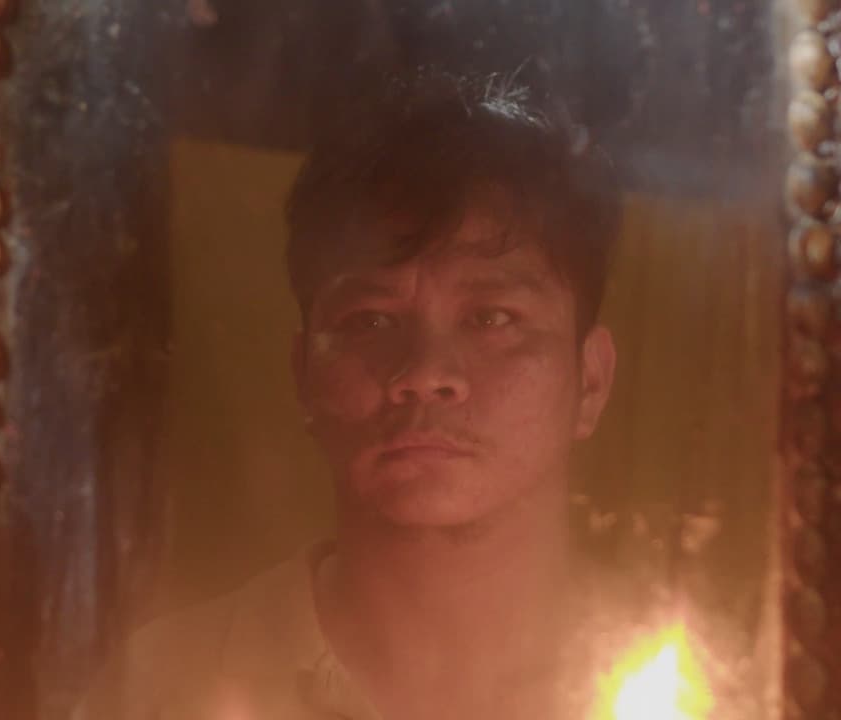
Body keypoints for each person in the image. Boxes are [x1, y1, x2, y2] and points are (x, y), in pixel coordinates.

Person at [79, 70, 627, 720]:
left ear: (591, 381)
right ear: (304, 375)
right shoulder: (161, 688)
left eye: (491, 318)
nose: (425, 371)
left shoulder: (685, 684)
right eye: (370, 320)